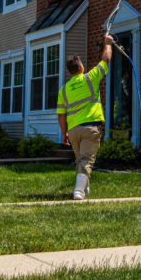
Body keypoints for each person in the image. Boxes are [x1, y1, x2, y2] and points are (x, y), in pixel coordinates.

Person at [58, 31, 113, 200]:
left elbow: (61, 114)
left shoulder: (64, 90)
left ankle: (84, 189)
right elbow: (105, 60)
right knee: (86, 160)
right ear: (81, 67)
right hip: (90, 128)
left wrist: (64, 133)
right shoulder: (90, 78)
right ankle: (79, 192)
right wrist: (108, 43)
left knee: (80, 160)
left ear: (69, 71)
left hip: (73, 130)